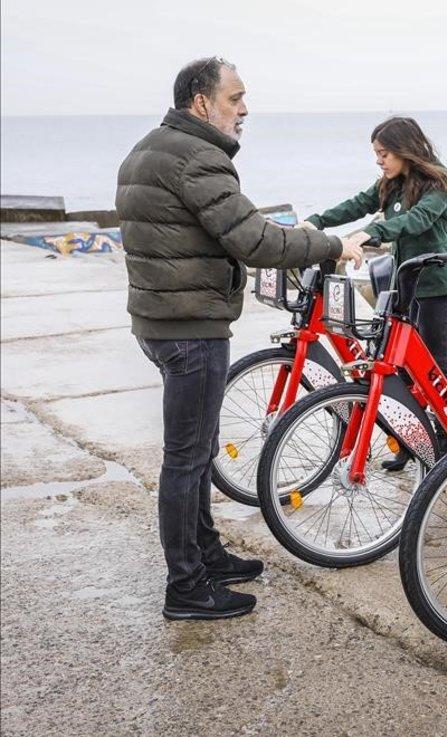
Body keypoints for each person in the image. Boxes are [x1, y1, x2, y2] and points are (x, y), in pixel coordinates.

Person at [116, 57, 364, 621]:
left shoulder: (150, 147)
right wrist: (328, 244)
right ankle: (187, 589)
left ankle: (206, 554)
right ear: (201, 102)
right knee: (186, 459)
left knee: (198, 451)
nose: (244, 109)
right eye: (235, 98)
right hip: (190, 328)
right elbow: (251, 239)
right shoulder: (198, 157)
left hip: (159, 322)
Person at [300, 116, 447, 382]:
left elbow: (417, 219)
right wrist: (317, 220)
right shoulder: (391, 181)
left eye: (384, 154)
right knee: (402, 361)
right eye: (376, 154)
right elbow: (358, 204)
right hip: (405, 285)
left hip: (437, 286)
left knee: (435, 364)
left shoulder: (439, 181)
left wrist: (373, 231)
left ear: (404, 149)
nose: (379, 161)